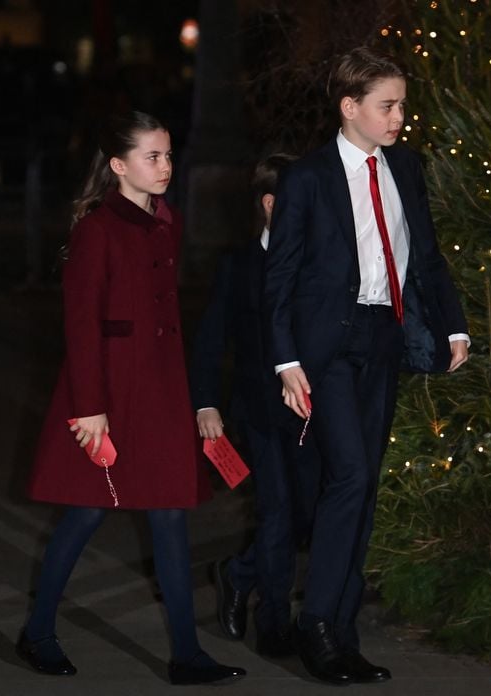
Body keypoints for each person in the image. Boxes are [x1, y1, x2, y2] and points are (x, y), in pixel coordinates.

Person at [263, 47, 470, 685]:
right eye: (387, 105)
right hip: (325, 347)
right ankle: (318, 625)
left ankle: (341, 631)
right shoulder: (308, 177)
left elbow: (426, 256)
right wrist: (285, 358)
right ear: (349, 107)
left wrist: (453, 323)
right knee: (349, 475)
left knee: (365, 484)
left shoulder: (405, 168)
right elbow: (281, 276)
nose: (399, 116)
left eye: (402, 104)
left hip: (383, 339)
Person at [17, 111, 246, 686]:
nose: (166, 166)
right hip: (108, 395)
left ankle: (187, 655)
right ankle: (38, 631)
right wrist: (90, 409)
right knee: (86, 511)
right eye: (153, 157)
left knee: (170, 513)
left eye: (169, 155)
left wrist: (196, 399)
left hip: (163, 392)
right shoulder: (98, 227)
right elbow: (80, 325)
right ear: (119, 165)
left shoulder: (167, 219)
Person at [190, 154, 320, 658]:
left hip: (312, 412)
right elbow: (210, 340)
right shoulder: (238, 266)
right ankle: (273, 622)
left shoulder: (320, 262)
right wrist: (206, 404)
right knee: (277, 512)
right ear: (271, 205)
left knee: (307, 514)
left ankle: (237, 572)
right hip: (260, 412)